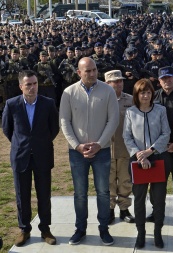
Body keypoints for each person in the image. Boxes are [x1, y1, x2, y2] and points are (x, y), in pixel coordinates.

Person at [59, 57, 119, 246]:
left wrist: (100, 144)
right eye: (88, 71)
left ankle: (103, 229)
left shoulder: (108, 91)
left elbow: (113, 120)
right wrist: (77, 145)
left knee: (103, 192)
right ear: (79, 73)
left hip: (101, 151)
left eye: (94, 70)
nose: (92, 74)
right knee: (80, 193)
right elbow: (64, 122)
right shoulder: (68, 93)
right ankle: (80, 229)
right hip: (77, 153)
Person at [2, 70, 59, 246]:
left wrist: (39, 143)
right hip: (21, 156)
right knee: (22, 194)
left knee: (44, 194)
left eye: (35, 84)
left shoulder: (48, 104)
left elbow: (54, 128)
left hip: (42, 155)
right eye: (28, 84)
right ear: (21, 86)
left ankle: (45, 229)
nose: (32, 87)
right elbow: (7, 129)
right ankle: (24, 229)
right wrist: (23, 144)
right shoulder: (12, 104)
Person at [123, 79, 171, 249]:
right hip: (137, 160)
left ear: (152, 94)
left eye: (148, 92)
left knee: (158, 199)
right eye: (142, 92)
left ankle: (158, 232)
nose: (145, 95)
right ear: (136, 94)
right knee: (139, 197)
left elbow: (166, 133)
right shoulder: (130, 112)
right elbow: (127, 137)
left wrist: (149, 151)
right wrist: (139, 155)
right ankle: (141, 233)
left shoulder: (160, 110)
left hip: (158, 158)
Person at [150, 66, 173, 222]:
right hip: (159, 149)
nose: (167, 81)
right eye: (164, 78)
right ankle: (157, 211)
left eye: (170, 77)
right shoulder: (153, 98)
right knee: (157, 183)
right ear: (159, 81)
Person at [104, 70, 135, 225]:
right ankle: (109, 210)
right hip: (106, 148)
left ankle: (124, 210)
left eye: (120, 81)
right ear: (107, 84)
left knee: (125, 180)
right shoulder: (101, 100)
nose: (119, 84)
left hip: (125, 148)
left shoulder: (130, 99)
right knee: (108, 182)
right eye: (115, 81)